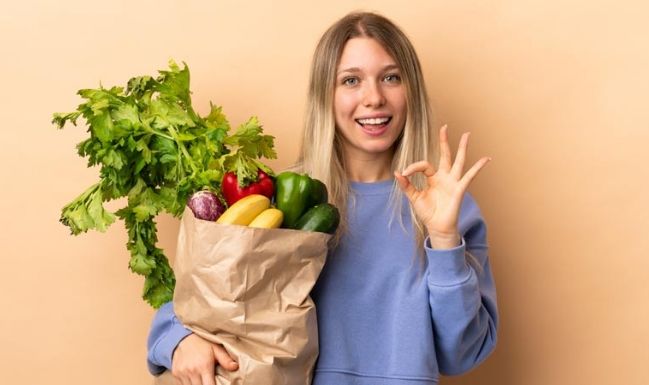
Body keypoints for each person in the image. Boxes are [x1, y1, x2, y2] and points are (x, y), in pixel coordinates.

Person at [147, 11, 498, 385]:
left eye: (391, 78)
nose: (374, 98)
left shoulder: (446, 207)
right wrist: (178, 339)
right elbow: (206, 292)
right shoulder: (283, 198)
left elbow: (462, 353)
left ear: (411, 90)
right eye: (351, 81)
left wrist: (444, 240)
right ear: (324, 96)